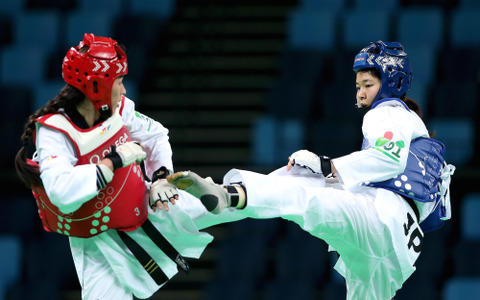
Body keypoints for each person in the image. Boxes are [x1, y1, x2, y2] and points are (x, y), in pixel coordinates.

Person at [166, 41, 456, 299]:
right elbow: (434, 215)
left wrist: (327, 165)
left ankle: (219, 200)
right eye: (358, 86)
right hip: (402, 251)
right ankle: (220, 200)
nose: (361, 92)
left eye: (368, 84)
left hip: (378, 218)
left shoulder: (388, 111)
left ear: (392, 82)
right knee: (305, 181)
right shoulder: (422, 140)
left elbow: (387, 157)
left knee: (301, 187)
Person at [14, 33, 244, 300]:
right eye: (119, 82)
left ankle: (294, 178)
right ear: (97, 86)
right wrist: (114, 161)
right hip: (95, 239)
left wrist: (161, 179)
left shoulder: (118, 108)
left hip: (141, 204)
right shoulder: (55, 132)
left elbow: (156, 135)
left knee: (234, 203)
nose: (123, 90)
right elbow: (61, 194)